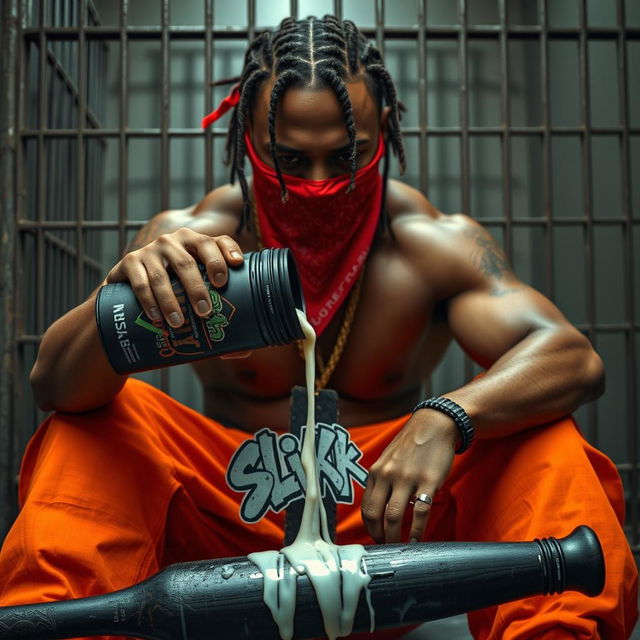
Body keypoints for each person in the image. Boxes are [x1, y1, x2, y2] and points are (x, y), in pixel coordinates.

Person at [0, 15, 637, 640]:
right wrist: (121, 300)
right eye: (288, 159)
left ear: (382, 124)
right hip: (229, 538)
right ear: (246, 132)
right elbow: (56, 386)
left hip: (392, 538)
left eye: (345, 156)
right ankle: (59, 628)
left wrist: (448, 414)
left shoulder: (429, 245)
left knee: (537, 428)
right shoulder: (187, 242)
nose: (318, 183)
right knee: (99, 422)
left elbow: (572, 357)